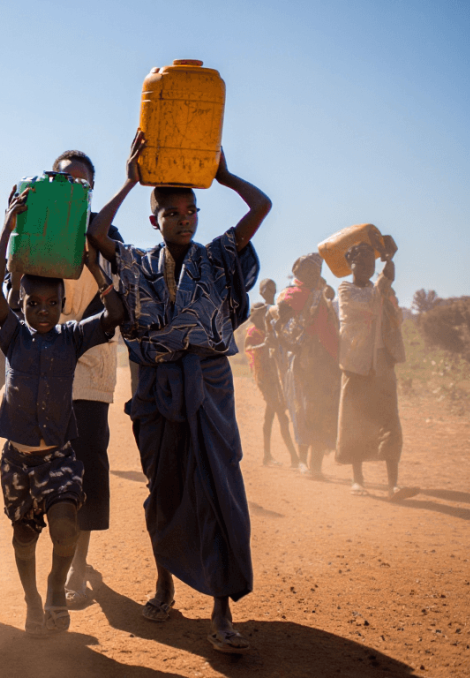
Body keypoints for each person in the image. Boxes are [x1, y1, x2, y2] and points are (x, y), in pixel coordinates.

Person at [89, 131, 269, 654]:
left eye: (191, 211)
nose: (185, 219)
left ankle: (221, 610)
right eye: (173, 213)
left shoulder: (219, 255)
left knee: (217, 489)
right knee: (163, 490)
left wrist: (225, 176)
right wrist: (130, 180)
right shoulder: (136, 262)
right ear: (156, 221)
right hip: (156, 388)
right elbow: (96, 232)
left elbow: (261, 206)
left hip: (209, 385)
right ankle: (164, 583)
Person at [0, 184, 124, 636]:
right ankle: (31, 599)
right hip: (17, 462)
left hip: (58, 458)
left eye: (52, 304)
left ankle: (54, 588)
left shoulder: (72, 336)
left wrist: (92, 265)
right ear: (21, 305)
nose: (43, 310)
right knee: (24, 537)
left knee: (65, 527)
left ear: (64, 306)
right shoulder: (12, 335)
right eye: (34, 303)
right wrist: (8, 228)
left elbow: (115, 315)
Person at [335, 242, 417, 501]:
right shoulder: (346, 290)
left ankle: (393, 485)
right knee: (355, 421)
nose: (367, 269)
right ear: (350, 265)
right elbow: (368, 305)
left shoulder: (381, 289)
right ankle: (357, 479)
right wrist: (384, 279)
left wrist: (389, 262)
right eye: (361, 264)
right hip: (356, 363)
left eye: (371, 264)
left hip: (383, 362)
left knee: (390, 420)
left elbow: (395, 316)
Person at [278, 254, 341, 477]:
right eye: (310, 271)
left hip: (324, 362)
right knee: (304, 409)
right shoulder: (293, 295)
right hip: (304, 363)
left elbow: (328, 331)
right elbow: (277, 325)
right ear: (300, 273)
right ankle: (304, 463)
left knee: (321, 410)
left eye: (317, 271)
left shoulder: (318, 297)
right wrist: (291, 345)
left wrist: (337, 357)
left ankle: (315, 466)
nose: (314, 275)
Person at [244, 303, 296, 467]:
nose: (263, 316)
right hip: (264, 379)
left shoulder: (269, 330)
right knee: (281, 415)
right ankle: (294, 457)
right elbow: (248, 348)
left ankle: (267, 456)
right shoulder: (253, 332)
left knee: (270, 416)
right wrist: (263, 345)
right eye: (260, 313)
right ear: (254, 316)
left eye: (264, 313)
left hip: (274, 378)